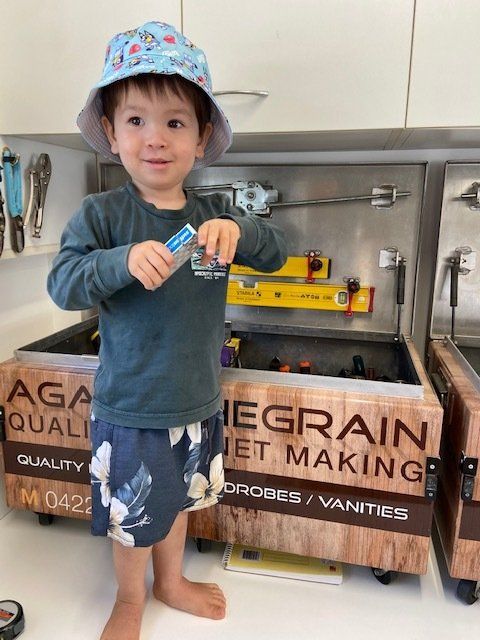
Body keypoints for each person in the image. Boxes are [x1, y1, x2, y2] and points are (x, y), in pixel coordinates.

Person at [47, 20, 287, 640]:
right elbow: (63, 284)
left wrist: (244, 234)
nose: (155, 138)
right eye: (135, 121)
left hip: (198, 402)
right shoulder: (102, 215)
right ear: (110, 131)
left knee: (178, 502)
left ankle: (172, 582)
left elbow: (274, 252)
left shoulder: (215, 214)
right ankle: (131, 598)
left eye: (175, 122)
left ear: (202, 137)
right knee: (134, 518)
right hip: (130, 408)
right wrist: (119, 261)